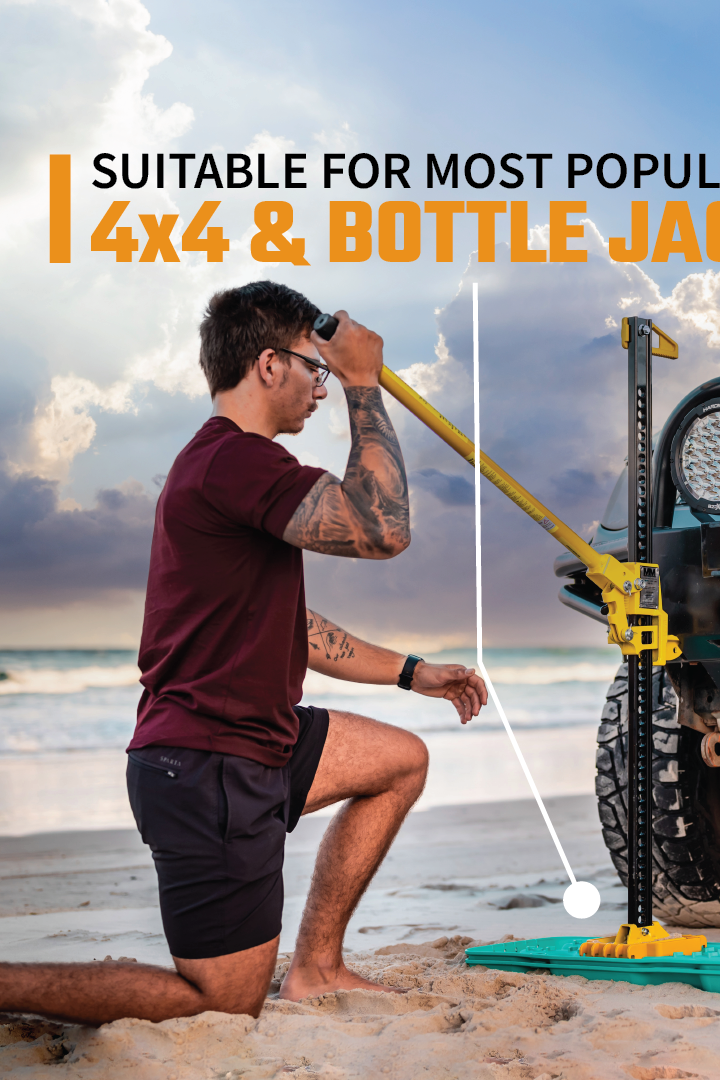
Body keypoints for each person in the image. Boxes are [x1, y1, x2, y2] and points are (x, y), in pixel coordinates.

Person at [0, 281, 487, 1024]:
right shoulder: (233, 463)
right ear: (268, 365)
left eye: (329, 374)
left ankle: (317, 969)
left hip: (261, 738)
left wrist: (412, 673)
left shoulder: (228, 468)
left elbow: (294, 622)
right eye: (312, 367)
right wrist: (362, 383)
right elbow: (380, 530)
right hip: (206, 763)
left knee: (398, 761)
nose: (319, 387)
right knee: (222, 1004)